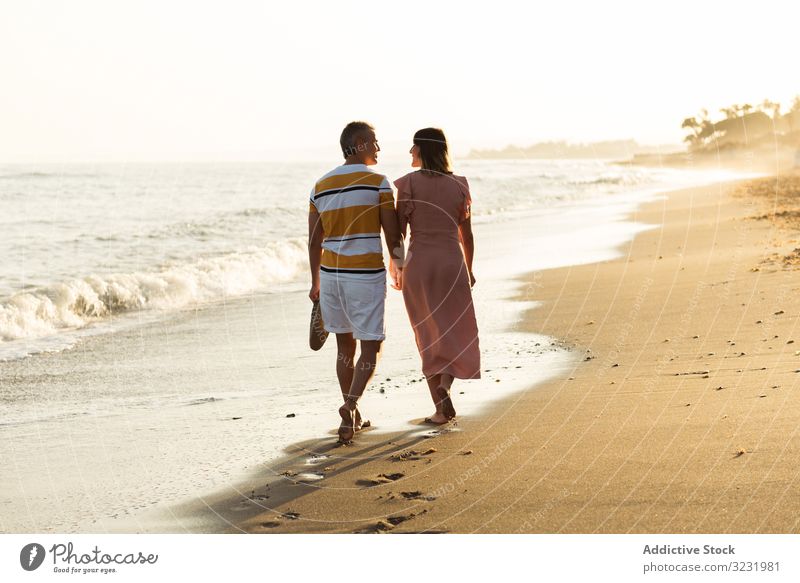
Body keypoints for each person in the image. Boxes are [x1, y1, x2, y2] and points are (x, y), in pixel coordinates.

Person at [308, 121, 405, 443]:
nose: (378, 148)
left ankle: (353, 416)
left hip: (331, 275)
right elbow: (392, 234)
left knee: (344, 347)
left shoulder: (320, 186)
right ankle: (350, 406)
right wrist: (400, 266)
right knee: (372, 344)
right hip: (364, 274)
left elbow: (313, 241)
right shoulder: (378, 182)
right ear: (360, 144)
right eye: (374, 142)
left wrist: (315, 283)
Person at [392, 128, 480, 425]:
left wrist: (398, 267)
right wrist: (469, 269)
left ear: (422, 150)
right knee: (456, 331)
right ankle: (446, 383)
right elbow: (466, 235)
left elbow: (397, 234)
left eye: (413, 147)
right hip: (451, 263)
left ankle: (441, 409)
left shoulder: (408, 184)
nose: (409, 153)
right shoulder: (459, 185)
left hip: (420, 266)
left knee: (427, 334)